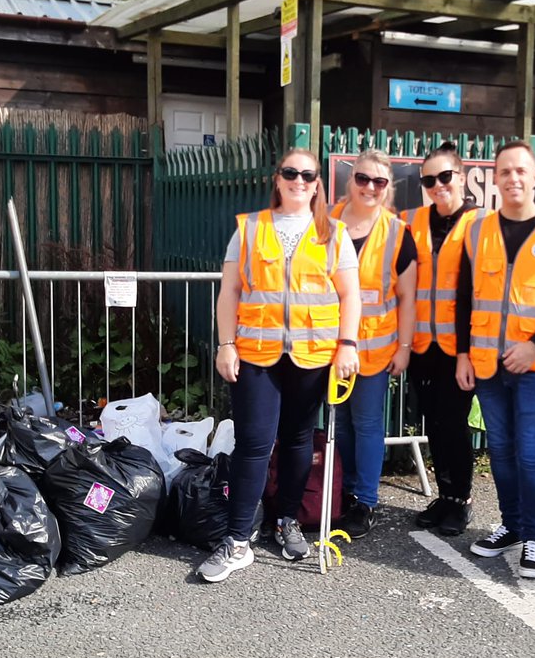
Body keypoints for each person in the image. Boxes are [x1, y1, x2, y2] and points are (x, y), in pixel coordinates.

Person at [201, 148, 362, 583]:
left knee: (296, 443)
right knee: (254, 444)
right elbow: (229, 292)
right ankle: (237, 541)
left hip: (311, 355)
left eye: (307, 175)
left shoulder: (335, 232)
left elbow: (351, 296)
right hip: (255, 354)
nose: (299, 181)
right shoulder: (250, 228)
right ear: (278, 178)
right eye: (291, 173)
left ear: (316, 183)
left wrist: (348, 344)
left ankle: (285, 520)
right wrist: (225, 344)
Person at [455, 141, 535, 579]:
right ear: (494, 177)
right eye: (504, 171)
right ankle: (509, 525)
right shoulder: (477, 230)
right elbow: (463, 299)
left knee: (528, 454)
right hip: (487, 364)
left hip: (534, 368)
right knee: (502, 451)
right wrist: (463, 354)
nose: (513, 178)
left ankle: (533, 538)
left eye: (521, 171)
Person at [330, 151, 418, 539]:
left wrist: (405, 346)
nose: (369, 187)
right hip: (327, 344)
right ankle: (343, 492)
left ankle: (364, 501)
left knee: (365, 424)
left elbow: (408, 298)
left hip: (375, 348)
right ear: (350, 180)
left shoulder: (398, 233)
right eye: (363, 179)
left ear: (388, 188)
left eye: (379, 182)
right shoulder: (324, 221)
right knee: (341, 424)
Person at [402, 144, 483, 535]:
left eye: (445, 177)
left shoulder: (482, 224)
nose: (437, 186)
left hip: (459, 348)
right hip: (422, 345)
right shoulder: (413, 220)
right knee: (433, 421)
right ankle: (446, 496)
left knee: (453, 423)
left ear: (462, 177)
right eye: (428, 180)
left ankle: (462, 500)